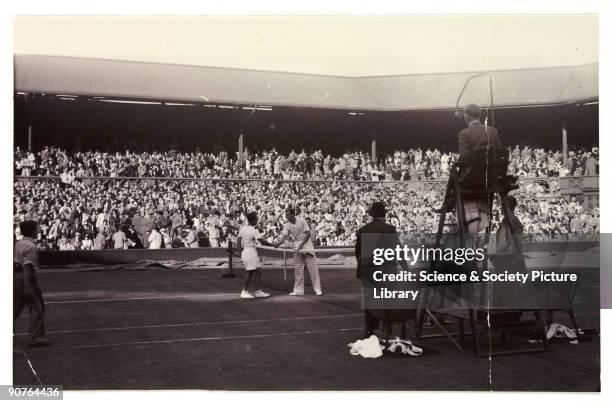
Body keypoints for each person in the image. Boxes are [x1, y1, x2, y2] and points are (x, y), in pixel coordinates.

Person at [354, 202, 405, 338]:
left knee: (369, 301)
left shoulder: (362, 230)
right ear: (384, 214)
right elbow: (398, 251)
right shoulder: (389, 229)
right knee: (386, 301)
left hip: (368, 271)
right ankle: (387, 328)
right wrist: (406, 268)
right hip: (386, 271)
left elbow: (358, 253)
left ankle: (368, 329)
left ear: (372, 215)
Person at [456, 104, 501, 234]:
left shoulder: (465, 133)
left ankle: (459, 212)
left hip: (471, 181)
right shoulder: (493, 131)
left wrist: (456, 164)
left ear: (466, 115)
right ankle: (482, 221)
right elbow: (498, 155)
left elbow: (464, 158)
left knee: (456, 181)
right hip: (489, 180)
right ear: (479, 115)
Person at [14, 220, 50, 347]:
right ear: (33, 230)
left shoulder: (18, 244)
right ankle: (35, 337)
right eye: (37, 228)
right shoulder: (31, 246)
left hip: (16, 277)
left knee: (16, 308)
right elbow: (27, 266)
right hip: (26, 278)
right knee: (37, 308)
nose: (39, 229)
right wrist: (28, 286)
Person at [274, 207, 323, 296]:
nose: (286, 216)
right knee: (298, 269)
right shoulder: (286, 225)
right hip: (297, 247)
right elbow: (283, 238)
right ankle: (298, 290)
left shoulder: (302, 221)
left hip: (307, 245)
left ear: (293, 214)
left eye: (288, 214)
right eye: (286, 215)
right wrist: (277, 244)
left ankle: (318, 290)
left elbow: (308, 234)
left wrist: (302, 245)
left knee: (313, 269)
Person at [237, 212, 276, 299]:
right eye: (256, 219)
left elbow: (238, 239)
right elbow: (262, 241)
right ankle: (245, 291)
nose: (257, 221)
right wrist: (273, 245)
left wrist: (239, 251)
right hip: (250, 252)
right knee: (251, 272)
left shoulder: (243, 229)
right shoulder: (253, 230)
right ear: (253, 220)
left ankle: (256, 291)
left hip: (246, 251)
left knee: (256, 272)